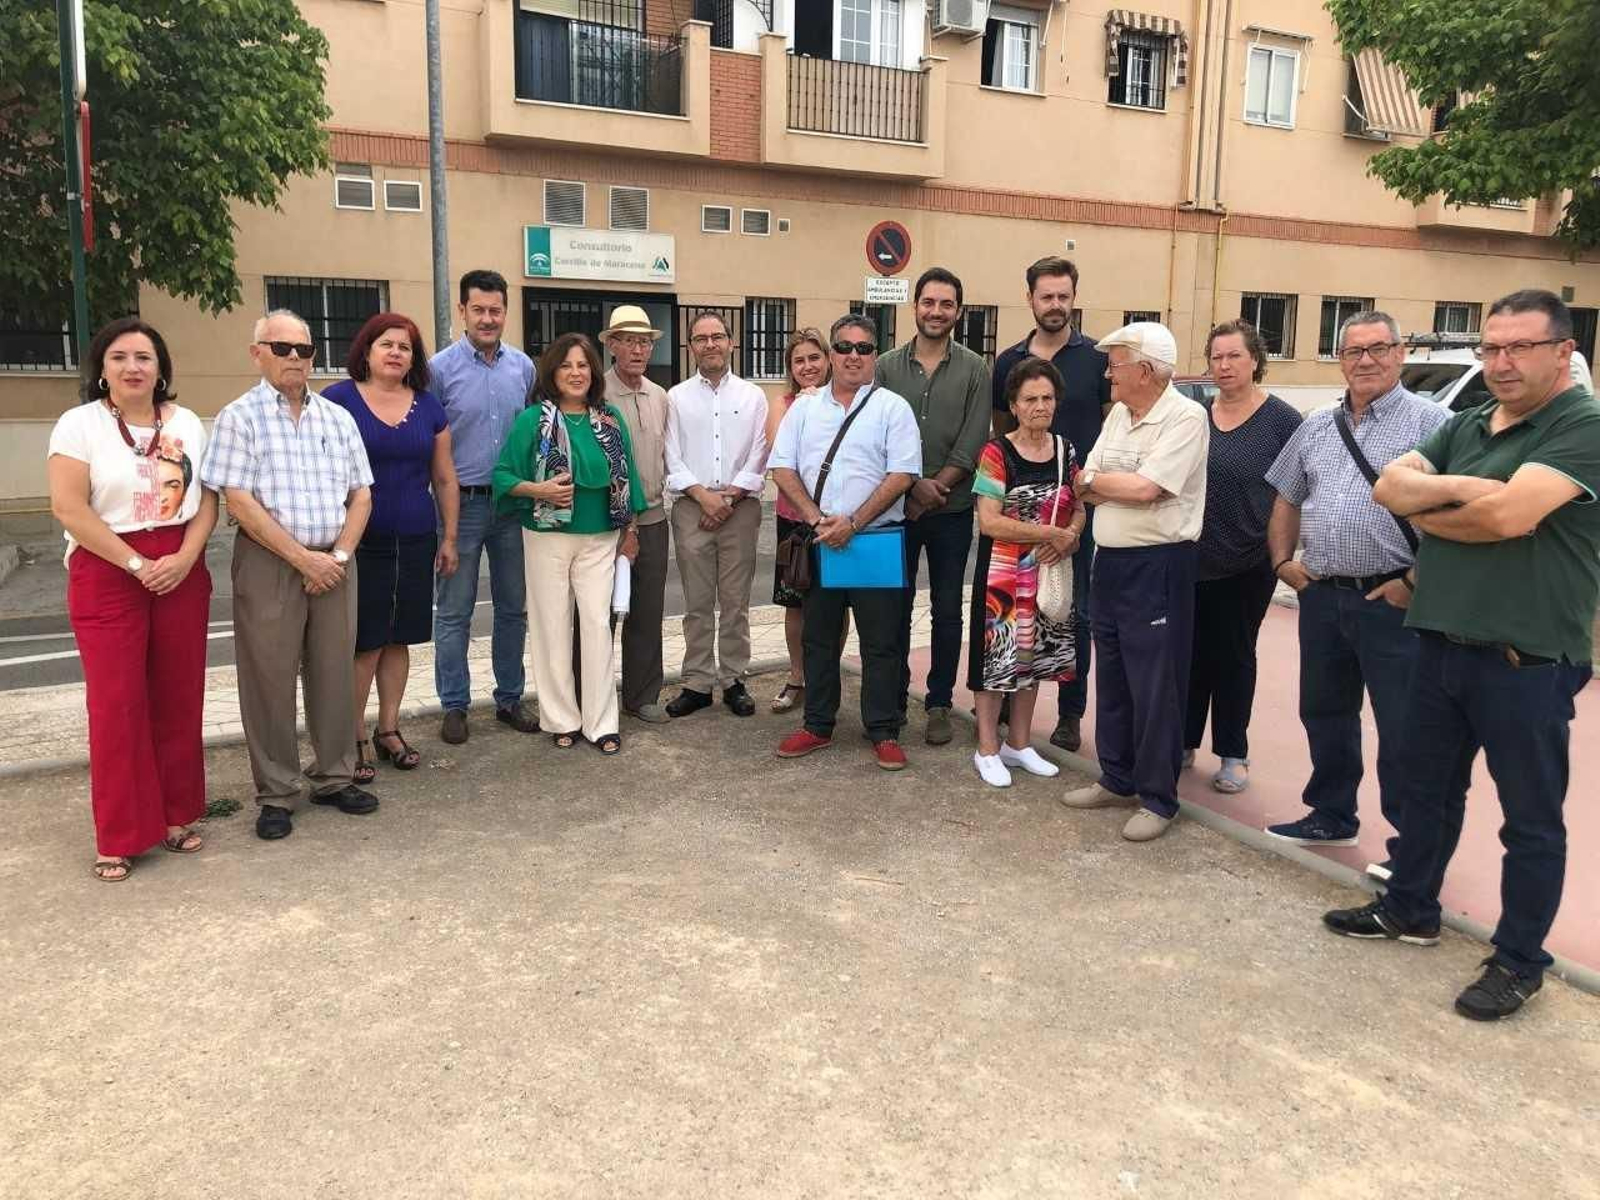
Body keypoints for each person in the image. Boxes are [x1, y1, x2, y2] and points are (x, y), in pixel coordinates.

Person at [1325, 289, 1600, 1021]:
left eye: (1520, 348)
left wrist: (1437, 509)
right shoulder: (1472, 423)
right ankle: (1409, 907)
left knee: (1530, 820)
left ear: (1563, 352)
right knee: (1427, 790)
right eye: (1492, 347)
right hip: (1441, 641)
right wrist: (1460, 493)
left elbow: (1512, 515)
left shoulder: (1582, 424)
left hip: (1526, 660)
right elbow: (1388, 486)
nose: (1501, 363)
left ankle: (1518, 960)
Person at [1263, 311, 1448, 872]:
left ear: (1400, 353)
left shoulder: (1434, 423)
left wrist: (1414, 582)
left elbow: (1456, 512)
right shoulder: (1318, 425)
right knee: (1325, 711)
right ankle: (1331, 814)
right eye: (1353, 351)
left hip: (1392, 601)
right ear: (1340, 359)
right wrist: (1281, 562)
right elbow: (1286, 496)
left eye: (1378, 349)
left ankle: (1409, 850)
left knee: (1402, 726)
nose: (1365, 360)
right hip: (1321, 596)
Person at [47, 318, 217, 881]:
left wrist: (187, 557)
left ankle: (176, 815)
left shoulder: (187, 422)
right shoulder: (80, 426)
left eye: (144, 357)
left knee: (177, 694)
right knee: (118, 704)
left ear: (161, 367)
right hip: (108, 566)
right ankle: (120, 834)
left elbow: (206, 499)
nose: (133, 367)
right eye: (120, 357)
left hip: (180, 566)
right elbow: (71, 509)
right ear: (102, 368)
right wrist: (137, 563)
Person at [200, 309, 377, 840]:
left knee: (333, 674)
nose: (295, 358)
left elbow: (361, 494)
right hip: (271, 563)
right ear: (258, 353)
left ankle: (334, 776)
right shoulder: (239, 417)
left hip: (335, 562)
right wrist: (305, 560)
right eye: (282, 348)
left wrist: (339, 557)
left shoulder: (336, 417)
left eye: (304, 349)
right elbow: (238, 501)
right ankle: (277, 792)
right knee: (269, 680)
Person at [1059, 322, 1209, 842]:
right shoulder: (1121, 414)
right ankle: (1117, 776)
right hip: (1112, 562)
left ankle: (1158, 797)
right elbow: (1088, 481)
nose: (1107, 374)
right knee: (1116, 676)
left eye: (1115, 365)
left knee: (1156, 685)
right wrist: (1099, 484)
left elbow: (1147, 489)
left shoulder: (1186, 418)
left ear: (1145, 370)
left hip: (1160, 565)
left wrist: (1097, 484)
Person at [770, 314, 922, 770]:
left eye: (863, 348)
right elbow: (782, 468)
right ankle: (817, 724)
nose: (853, 355)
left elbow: (903, 474)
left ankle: (883, 729)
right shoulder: (805, 409)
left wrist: (853, 522)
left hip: (873, 541)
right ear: (832, 353)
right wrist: (817, 519)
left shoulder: (893, 408)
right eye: (844, 347)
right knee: (818, 638)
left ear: (876, 355)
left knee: (882, 642)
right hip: (822, 541)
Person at [323, 313, 459, 783]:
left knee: (400, 636)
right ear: (366, 349)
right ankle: (353, 735)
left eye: (405, 347)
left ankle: (389, 729)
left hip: (417, 536)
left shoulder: (428, 406)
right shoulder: (337, 400)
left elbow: (444, 477)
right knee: (366, 641)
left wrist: (451, 538)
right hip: (359, 541)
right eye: (387, 344)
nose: (396, 353)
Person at [493, 333, 645, 753]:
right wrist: (538, 490)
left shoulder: (610, 418)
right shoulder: (532, 420)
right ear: (552, 373)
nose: (576, 373)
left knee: (597, 626)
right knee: (551, 628)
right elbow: (502, 476)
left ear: (593, 372)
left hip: (600, 537)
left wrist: (630, 532)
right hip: (546, 537)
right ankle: (561, 717)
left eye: (583, 366)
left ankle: (601, 722)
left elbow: (629, 477)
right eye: (566, 366)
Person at [991, 257, 1111, 753]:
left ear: (1073, 298)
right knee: (1009, 609)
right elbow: (1001, 429)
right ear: (1031, 299)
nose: (1056, 305)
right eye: (1047, 296)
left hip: (1076, 513)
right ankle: (1002, 702)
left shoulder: (1097, 359)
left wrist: (1080, 509)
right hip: (1017, 513)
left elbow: (1110, 427)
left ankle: (1069, 713)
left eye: (1064, 296)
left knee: (1072, 612)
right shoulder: (1006, 361)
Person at [1183, 320, 1302, 793]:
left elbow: (1294, 491)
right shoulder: (1196, 414)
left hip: (1248, 561)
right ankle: (1184, 741)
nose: (1224, 365)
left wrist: (1283, 555)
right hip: (1192, 556)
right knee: (1189, 655)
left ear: (1255, 360)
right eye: (1216, 357)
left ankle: (1233, 753)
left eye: (1234, 355)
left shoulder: (1282, 420)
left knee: (1233, 656)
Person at [876, 267, 992, 746]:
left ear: (958, 312)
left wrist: (932, 489)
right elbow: (876, 438)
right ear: (915, 306)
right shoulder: (885, 367)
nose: (936, 312)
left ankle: (940, 701)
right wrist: (910, 488)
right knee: (893, 607)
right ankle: (894, 697)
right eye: (929, 302)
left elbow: (971, 443)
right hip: (894, 510)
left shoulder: (975, 370)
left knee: (948, 610)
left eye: (946, 304)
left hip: (950, 510)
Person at [430, 269, 539, 745]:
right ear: (462, 311)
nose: (488, 318)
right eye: (479, 309)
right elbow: (432, 442)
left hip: (514, 507)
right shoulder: (439, 370)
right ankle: (454, 705)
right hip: (463, 506)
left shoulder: (524, 368)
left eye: (496, 310)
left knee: (514, 608)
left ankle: (510, 698)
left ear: (505, 313)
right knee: (454, 611)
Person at [969, 359, 1085, 787]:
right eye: (1030, 399)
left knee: (1033, 660)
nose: (1040, 406)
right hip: (1002, 575)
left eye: (1047, 398)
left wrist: (1070, 535)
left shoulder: (1066, 450)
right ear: (1014, 406)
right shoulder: (996, 453)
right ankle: (986, 749)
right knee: (996, 661)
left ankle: (1019, 744)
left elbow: (1079, 505)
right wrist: (1049, 532)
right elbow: (990, 521)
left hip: (1047, 573)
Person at [663, 312, 769, 719]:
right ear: (691, 347)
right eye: (701, 338)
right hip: (692, 508)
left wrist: (729, 497)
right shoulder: (676, 397)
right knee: (697, 601)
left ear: (731, 343)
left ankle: (734, 680)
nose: (710, 344)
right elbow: (670, 452)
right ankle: (697, 682)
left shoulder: (752, 396)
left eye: (717, 336)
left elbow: (761, 450)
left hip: (739, 509)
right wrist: (703, 497)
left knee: (736, 600)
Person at [599, 306, 672, 723]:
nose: (638, 349)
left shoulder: (660, 396)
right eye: (628, 340)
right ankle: (594, 694)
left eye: (644, 341)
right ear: (611, 345)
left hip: (654, 519)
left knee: (648, 610)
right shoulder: (597, 395)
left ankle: (642, 695)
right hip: (606, 525)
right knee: (598, 613)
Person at [766, 327, 835, 714]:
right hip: (794, 518)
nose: (807, 366)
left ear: (827, 361)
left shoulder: (846, 400)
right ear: (790, 368)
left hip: (836, 519)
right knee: (796, 603)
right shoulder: (784, 402)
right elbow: (780, 451)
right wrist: (803, 407)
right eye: (799, 360)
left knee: (836, 603)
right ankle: (797, 675)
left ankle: (826, 674)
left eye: (814, 358)